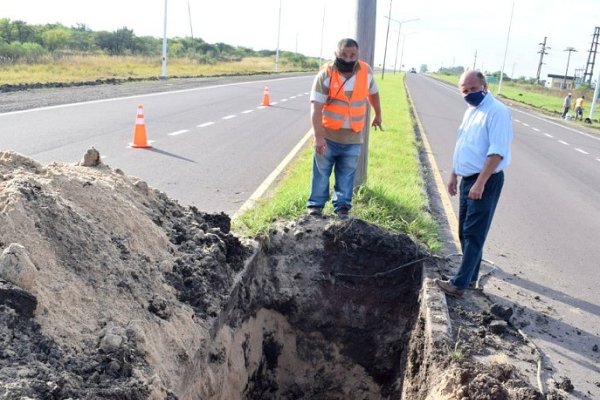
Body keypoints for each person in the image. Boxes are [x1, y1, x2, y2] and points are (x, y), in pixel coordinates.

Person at [435, 70, 513, 297]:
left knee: (473, 233)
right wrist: (454, 174)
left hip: (485, 180)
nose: (469, 94)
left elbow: (497, 152)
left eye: (473, 89)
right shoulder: (471, 111)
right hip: (468, 179)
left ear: (484, 86)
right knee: (464, 232)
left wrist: (480, 183)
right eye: (464, 90)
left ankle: (458, 284)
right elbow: (463, 144)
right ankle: (470, 278)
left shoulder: (497, 112)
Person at [306, 38, 382, 219]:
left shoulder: (366, 72)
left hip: (353, 137)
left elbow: (373, 93)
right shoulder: (325, 75)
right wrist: (318, 136)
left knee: (347, 175)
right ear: (336, 54)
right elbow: (315, 108)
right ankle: (315, 207)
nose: (348, 59)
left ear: (358, 55)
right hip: (328, 136)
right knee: (321, 173)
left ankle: (342, 208)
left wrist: (378, 114)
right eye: (343, 55)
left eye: (352, 55)